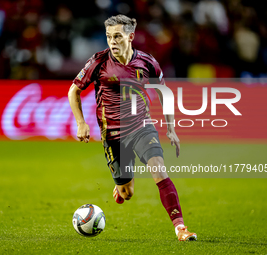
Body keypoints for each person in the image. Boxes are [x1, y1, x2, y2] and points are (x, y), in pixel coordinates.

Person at [68, 14, 197, 241]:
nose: (112, 42)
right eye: (109, 37)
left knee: (158, 169)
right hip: (113, 135)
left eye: (117, 36)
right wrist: (81, 123)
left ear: (131, 37)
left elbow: (164, 93)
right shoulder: (98, 62)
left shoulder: (148, 63)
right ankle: (121, 188)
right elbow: (74, 91)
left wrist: (171, 128)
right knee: (128, 193)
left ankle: (180, 228)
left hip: (142, 126)